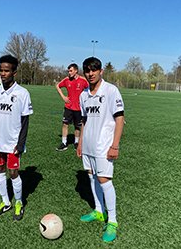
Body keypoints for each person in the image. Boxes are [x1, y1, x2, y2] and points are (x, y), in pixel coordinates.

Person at [76, 57, 125, 242]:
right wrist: (80, 142)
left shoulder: (111, 90)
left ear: (101, 71)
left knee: (105, 180)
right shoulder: (83, 95)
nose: (90, 73)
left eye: (94, 70)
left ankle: (112, 221)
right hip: (88, 143)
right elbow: (84, 120)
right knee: (91, 176)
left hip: (104, 145)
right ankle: (98, 210)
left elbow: (119, 118)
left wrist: (115, 145)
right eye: (87, 70)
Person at [0, 54, 33, 221]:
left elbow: (25, 121)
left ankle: (18, 202)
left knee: (13, 172)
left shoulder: (23, 93)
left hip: (12, 142)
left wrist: (21, 142)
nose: (3, 73)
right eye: (1, 70)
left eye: (6, 71)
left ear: (14, 72)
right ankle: (5, 202)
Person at [55, 63, 89, 151]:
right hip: (68, 106)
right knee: (65, 124)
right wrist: (63, 97)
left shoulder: (83, 80)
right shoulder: (66, 80)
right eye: (68, 71)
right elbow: (57, 86)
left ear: (76, 71)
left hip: (79, 108)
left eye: (71, 71)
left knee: (77, 126)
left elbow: (90, 90)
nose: (69, 73)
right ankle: (64, 143)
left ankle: (76, 142)